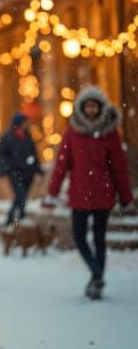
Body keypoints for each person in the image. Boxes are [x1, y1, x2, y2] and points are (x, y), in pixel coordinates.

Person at [46, 86, 133, 300]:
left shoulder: (110, 133)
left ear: (100, 107)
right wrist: (52, 192)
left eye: (94, 106)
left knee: (99, 239)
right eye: (88, 106)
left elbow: (119, 168)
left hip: (103, 194)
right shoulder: (73, 132)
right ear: (82, 108)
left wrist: (125, 196)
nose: (91, 109)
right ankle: (96, 273)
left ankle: (97, 283)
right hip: (79, 195)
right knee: (79, 237)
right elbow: (62, 165)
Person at [0, 112, 42, 226]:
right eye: (24, 122)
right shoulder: (8, 137)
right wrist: (3, 169)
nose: (27, 124)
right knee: (20, 197)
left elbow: (33, 154)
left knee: (21, 199)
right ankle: (11, 222)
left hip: (28, 174)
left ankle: (19, 221)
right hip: (15, 173)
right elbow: (2, 155)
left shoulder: (28, 136)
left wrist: (37, 169)